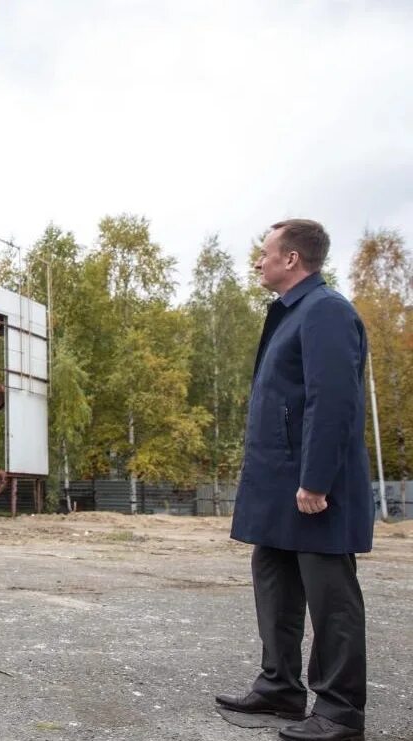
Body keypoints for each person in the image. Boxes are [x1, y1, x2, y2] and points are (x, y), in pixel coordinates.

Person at [215, 219, 372, 741]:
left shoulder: (326, 311)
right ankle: (280, 687)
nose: (258, 261)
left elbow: (334, 402)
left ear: (291, 260)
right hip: (279, 483)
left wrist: (317, 481)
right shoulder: (291, 313)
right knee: (275, 581)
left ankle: (340, 713)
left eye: (265, 253)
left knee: (331, 597)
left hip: (312, 487)